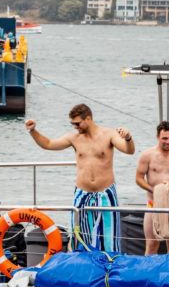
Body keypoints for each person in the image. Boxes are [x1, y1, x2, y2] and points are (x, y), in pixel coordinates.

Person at [25, 104, 135, 252]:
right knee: (80, 236)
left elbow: (129, 150)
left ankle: (110, 267)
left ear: (88, 118)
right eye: (72, 124)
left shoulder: (109, 134)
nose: (75, 127)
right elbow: (48, 144)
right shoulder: (74, 138)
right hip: (82, 193)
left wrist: (128, 138)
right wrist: (33, 131)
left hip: (105, 193)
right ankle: (83, 267)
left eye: (77, 123)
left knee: (109, 237)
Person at [136, 121, 169, 255]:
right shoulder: (147, 155)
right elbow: (138, 178)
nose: (168, 141)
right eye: (164, 138)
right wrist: (153, 189)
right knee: (152, 243)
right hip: (153, 203)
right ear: (157, 137)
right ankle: (148, 272)